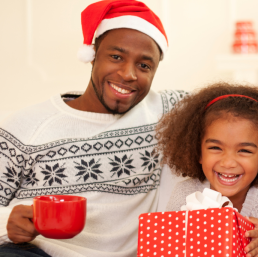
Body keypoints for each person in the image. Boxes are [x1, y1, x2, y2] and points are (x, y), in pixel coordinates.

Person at [0, 1, 185, 256]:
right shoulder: (26, 127)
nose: (128, 73)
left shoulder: (165, 111)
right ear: (93, 55)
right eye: (116, 57)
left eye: (144, 65)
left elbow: (240, 108)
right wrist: (7, 223)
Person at [158, 83, 258, 257]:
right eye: (215, 148)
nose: (228, 162)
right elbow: (164, 244)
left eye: (244, 151)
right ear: (199, 152)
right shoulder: (185, 192)